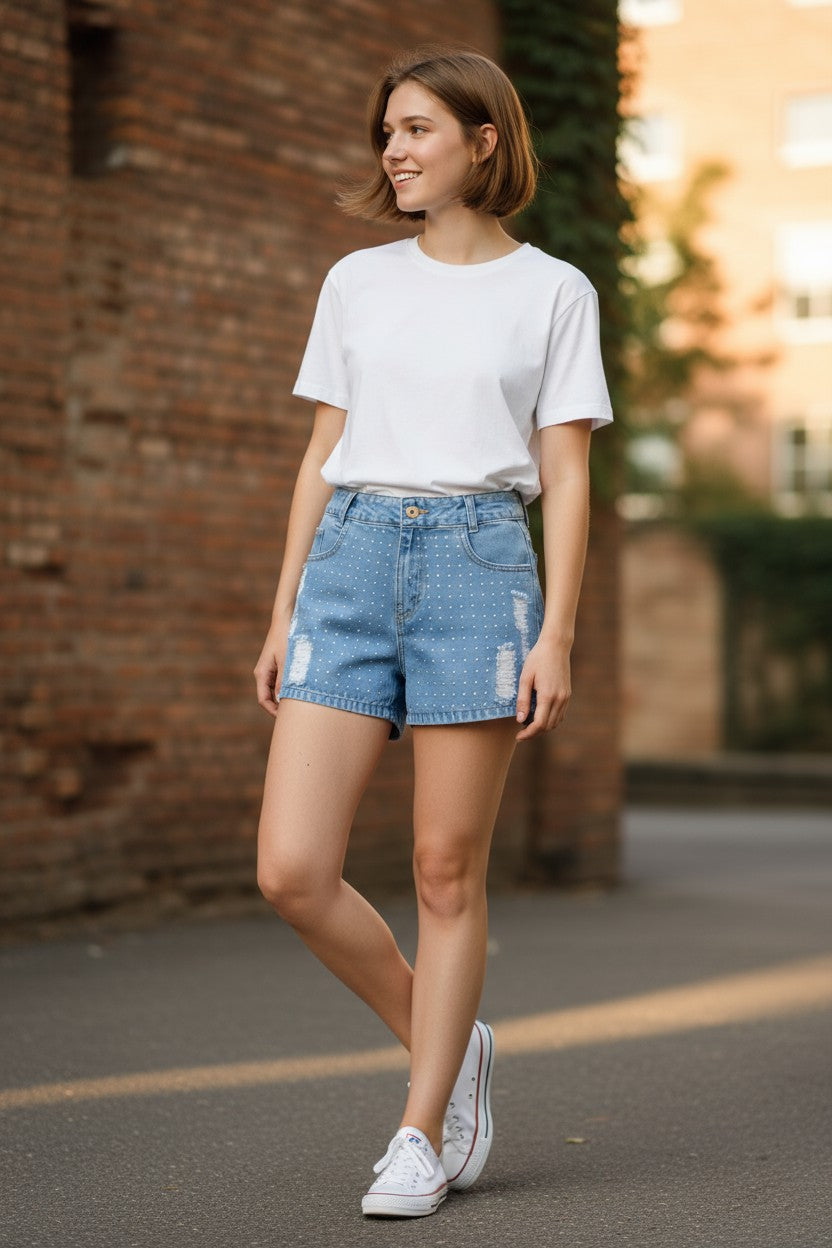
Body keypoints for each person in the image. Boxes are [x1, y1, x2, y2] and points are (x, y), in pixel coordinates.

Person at [253, 43, 614, 1219]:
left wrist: (556, 632)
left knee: (444, 869)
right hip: (350, 564)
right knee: (293, 870)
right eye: (388, 132)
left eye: (416, 129)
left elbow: (564, 473)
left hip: (479, 568)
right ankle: (450, 1046)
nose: (394, 151)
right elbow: (321, 453)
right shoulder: (358, 281)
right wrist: (283, 608)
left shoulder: (553, 291)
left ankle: (421, 1133)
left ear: (483, 140)